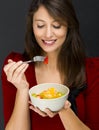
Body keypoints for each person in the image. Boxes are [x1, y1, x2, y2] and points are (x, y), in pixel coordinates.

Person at [1, 0, 99, 130]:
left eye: (57, 25)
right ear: (32, 26)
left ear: (69, 26)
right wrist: (22, 90)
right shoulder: (16, 68)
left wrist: (63, 109)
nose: (48, 34)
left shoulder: (92, 70)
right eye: (40, 25)